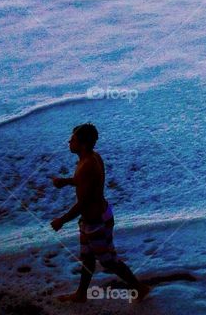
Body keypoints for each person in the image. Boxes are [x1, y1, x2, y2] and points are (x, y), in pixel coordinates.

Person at [50, 123, 148, 302]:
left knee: (109, 261)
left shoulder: (88, 164)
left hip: (98, 222)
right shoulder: (90, 157)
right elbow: (83, 182)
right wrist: (65, 182)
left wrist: (62, 220)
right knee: (87, 259)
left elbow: (83, 203)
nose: (69, 142)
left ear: (83, 144)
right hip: (89, 220)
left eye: (72, 140)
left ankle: (139, 288)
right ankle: (81, 294)